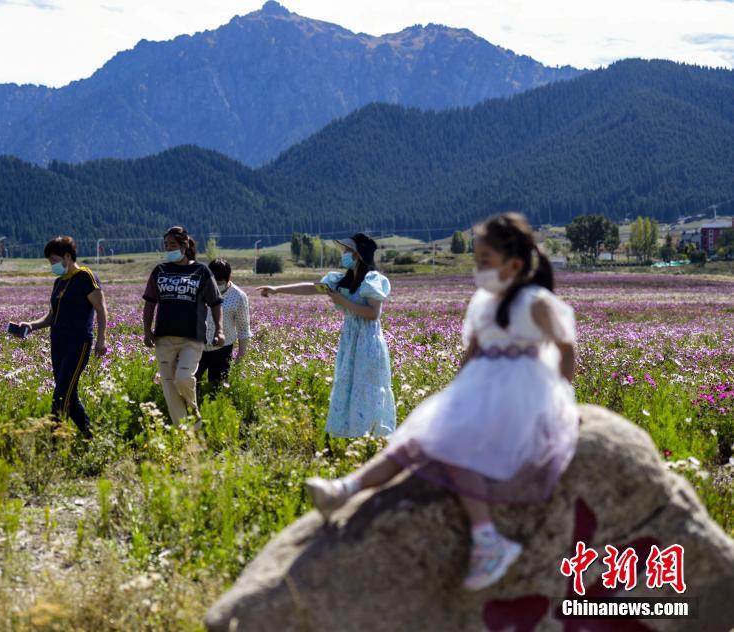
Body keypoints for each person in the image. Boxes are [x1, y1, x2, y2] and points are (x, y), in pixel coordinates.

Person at [305, 213, 579, 591]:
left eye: (486, 261)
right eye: (477, 260)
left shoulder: (536, 302)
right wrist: (455, 396)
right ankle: (347, 489)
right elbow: (473, 353)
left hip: (521, 399)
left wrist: (563, 400)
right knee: (418, 439)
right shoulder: (483, 304)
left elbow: (566, 349)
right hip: (482, 394)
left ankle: (487, 540)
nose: (478, 269)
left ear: (514, 264)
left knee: (456, 451)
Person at [258, 233, 395, 437]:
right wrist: (277, 289)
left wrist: (341, 301)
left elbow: (372, 314)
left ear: (359, 255)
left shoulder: (372, 280)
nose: (345, 255)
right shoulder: (342, 280)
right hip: (350, 341)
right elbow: (312, 288)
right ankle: (355, 437)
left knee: (367, 388)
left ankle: (372, 437)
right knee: (349, 386)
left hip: (367, 342)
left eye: (349, 251)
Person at [14, 236, 107, 438]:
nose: (52, 265)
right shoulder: (59, 282)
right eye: (50, 262)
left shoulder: (85, 277)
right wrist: (31, 326)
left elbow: (101, 309)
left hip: (78, 344)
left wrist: (101, 339)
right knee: (69, 395)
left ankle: (55, 441)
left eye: (54, 260)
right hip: (58, 344)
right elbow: (51, 316)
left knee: (61, 395)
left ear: (67, 256)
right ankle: (91, 437)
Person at [142, 226, 224, 426]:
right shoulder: (159, 271)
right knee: (169, 387)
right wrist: (146, 330)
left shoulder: (201, 271)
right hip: (164, 337)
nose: (168, 248)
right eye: (166, 245)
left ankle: (193, 411)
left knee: (183, 377)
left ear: (184, 245)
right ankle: (184, 432)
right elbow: (150, 302)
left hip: (192, 337)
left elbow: (215, 302)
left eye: (172, 245)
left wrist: (220, 330)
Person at [197, 259, 251, 387]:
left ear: (228, 278)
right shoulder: (198, 290)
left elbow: (243, 328)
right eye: (213, 281)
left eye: (220, 282)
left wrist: (240, 355)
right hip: (197, 347)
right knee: (190, 383)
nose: (216, 286)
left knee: (217, 387)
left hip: (222, 349)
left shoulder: (238, 296)